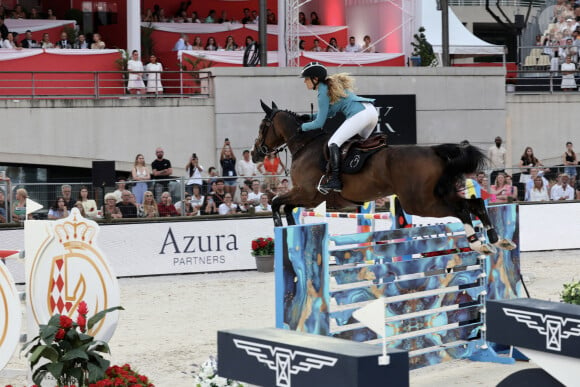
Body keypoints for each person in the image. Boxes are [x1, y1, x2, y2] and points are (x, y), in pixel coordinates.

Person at [299, 62, 378, 192]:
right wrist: (309, 117)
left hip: (360, 114)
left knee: (333, 143)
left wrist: (302, 127)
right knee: (357, 146)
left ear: (315, 79)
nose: (304, 82)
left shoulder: (322, 92)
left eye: (306, 78)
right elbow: (331, 112)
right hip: (371, 112)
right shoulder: (329, 86)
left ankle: (335, 181)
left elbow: (319, 124)